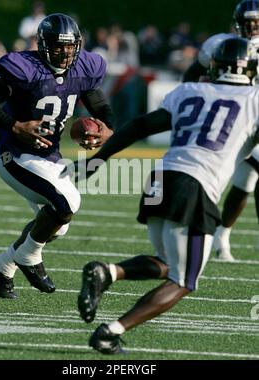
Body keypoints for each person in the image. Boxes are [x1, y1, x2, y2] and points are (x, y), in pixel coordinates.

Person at [76, 36, 259, 354]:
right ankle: (110, 332)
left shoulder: (189, 91)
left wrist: (98, 161)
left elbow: (138, 127)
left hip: (160, 180)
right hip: (195, 186)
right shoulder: (254, 99)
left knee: (168, 261)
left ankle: (108, 272)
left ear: (214, 66)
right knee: (184, 280)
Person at [0, 13, 114, 299]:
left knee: (56, 227)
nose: (64, 52)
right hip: (15, 154)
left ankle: (3, 264)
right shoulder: (24, 67)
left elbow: (100, 106)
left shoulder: (84, 67)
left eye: (69, 46)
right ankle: (29, 257)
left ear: (78, 45)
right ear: (43, 43)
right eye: (58, 46)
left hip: (49, 157)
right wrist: (14, 125)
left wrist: (106, 129)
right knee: (67, 202)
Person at [184, 0, 259, 262]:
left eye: (256, 23)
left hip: (255, 117)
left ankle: (221, 236)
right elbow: (194, 72)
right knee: (233, 180)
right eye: (248, 23)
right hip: (232, 120)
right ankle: (209, 232)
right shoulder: (221, 44)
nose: (252, 28)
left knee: (245, 182)